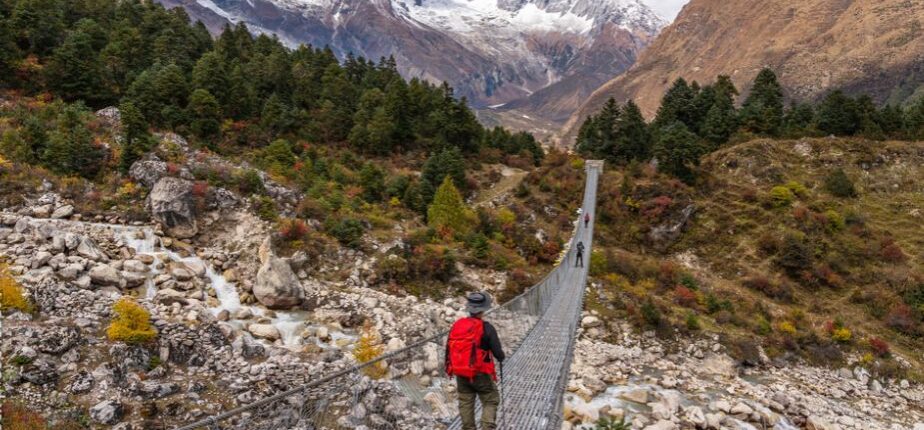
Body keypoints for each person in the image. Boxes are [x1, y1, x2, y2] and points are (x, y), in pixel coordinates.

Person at [446, 292, 505, 430]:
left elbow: (449, 348)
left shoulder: (457, 325)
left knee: (466, 401)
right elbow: (498, 354)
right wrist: (501, 357)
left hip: (460, 372)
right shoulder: (487, 328)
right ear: (483, 310)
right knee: (491, 400)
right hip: (480, 372)